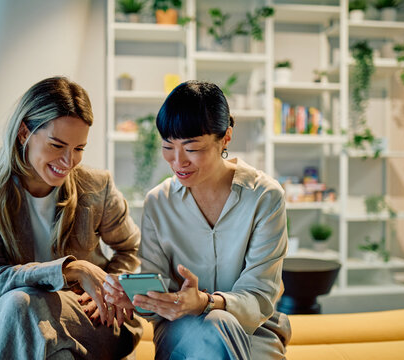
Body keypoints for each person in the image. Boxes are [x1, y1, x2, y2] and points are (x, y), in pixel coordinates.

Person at [105, 80, 291, 359]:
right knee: (214, 327)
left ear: (226, 138)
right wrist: (135, 298)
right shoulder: (158, 202)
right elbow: (156, 297)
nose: (178, 161)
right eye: (168, 146)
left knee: (220, 320)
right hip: (181, 330)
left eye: (192, 148)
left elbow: (261, 297)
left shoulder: (265, 197)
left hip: (255, 330)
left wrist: (205, 302)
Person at [0, 76, 143, 360]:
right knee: (30, 316)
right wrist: (70, 269)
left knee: (23, 305)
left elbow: (132, 248)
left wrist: (110, 288)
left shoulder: (96, 185)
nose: (69, 161)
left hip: (92, 318)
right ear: (24, 133)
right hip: (13, 319)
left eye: (79, 149)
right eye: (57, 145)